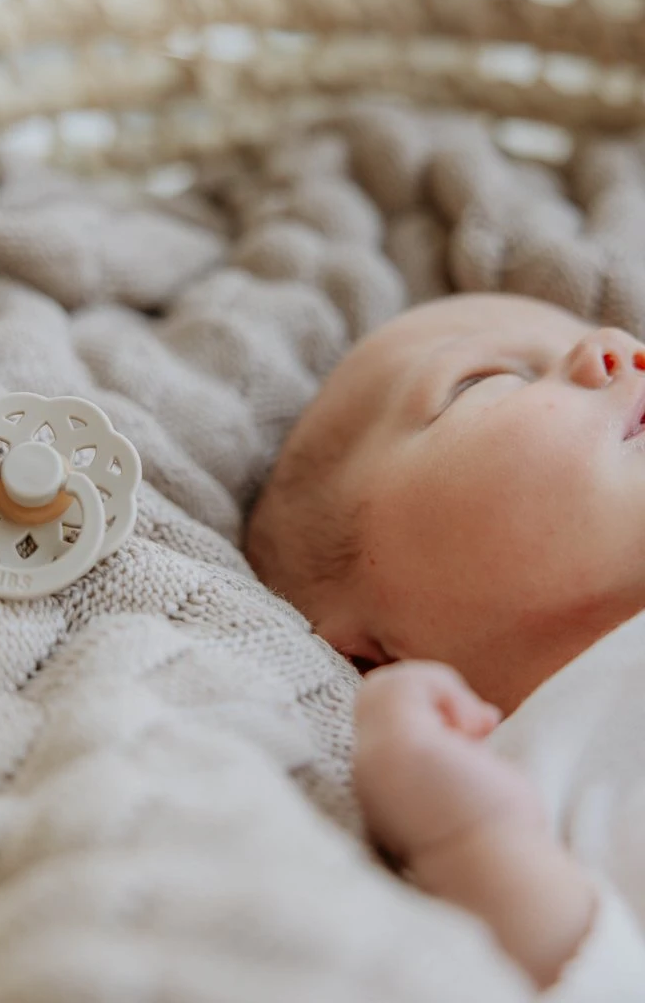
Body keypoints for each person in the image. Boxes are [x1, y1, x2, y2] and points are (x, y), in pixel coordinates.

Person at [246, 293, 645, 992]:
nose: (616, 343)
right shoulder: (524, 791)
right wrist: (476, 841)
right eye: (487, 381)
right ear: (366, 659)